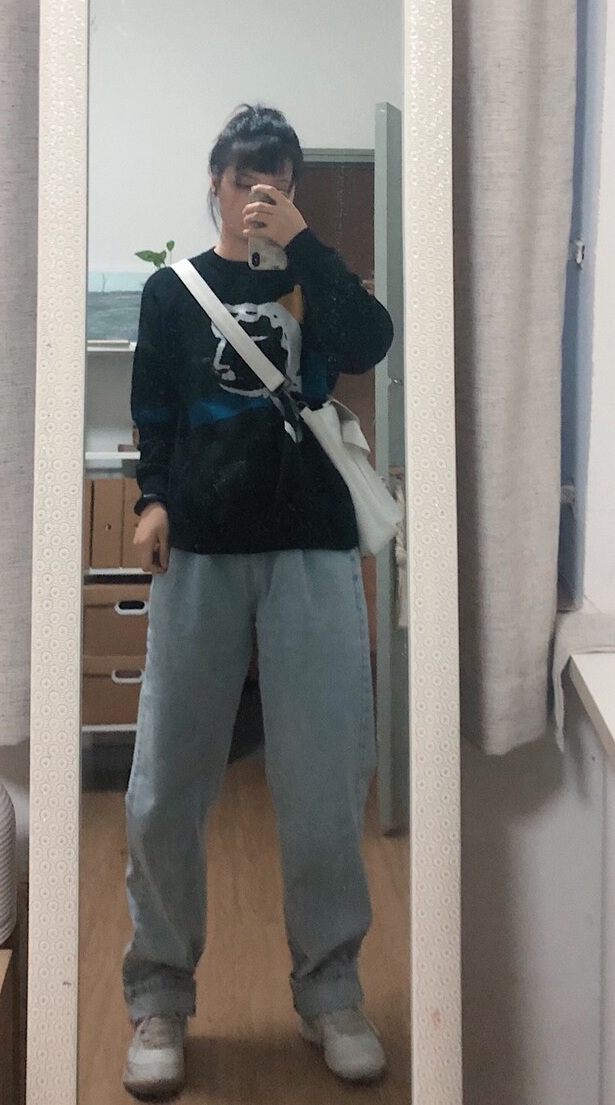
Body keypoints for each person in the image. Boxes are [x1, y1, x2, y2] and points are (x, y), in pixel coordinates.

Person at [121, 103, 394, 1100]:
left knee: (325, 784)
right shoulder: (171, 289)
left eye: (274, 178)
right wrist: (152, 498)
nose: (256, 194)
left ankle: (331, 992)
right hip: (200, 546)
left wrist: (306, 245)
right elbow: (153, 408)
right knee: (166, 782)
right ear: (215, 182)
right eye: (243, 177)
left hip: (312, 546)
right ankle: (159, 995)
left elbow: (370, 343)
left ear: (293, 186)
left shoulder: (315, 279)